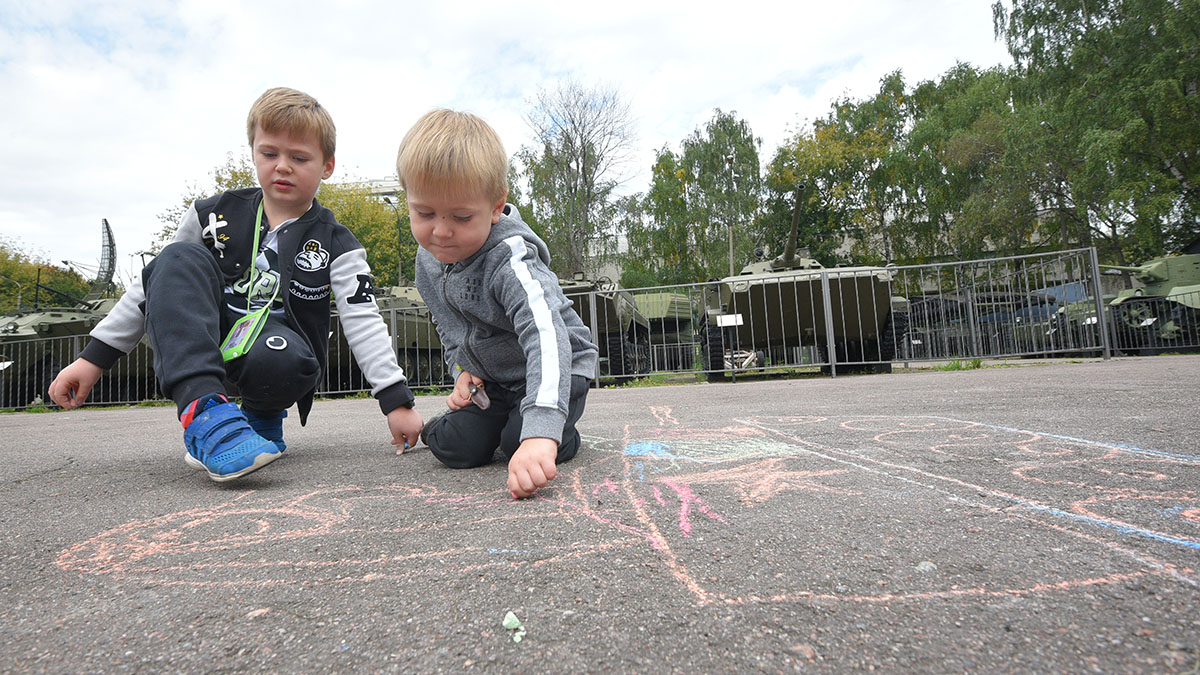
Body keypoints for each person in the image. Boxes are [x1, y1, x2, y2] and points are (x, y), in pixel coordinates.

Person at [49, 87, 423, 482]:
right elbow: (155, 286)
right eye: (269, 153)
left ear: (327, 166)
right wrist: (92, 359)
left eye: (299, 157)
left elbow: (363, 317)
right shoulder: (211, 215)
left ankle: (260, 420)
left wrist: (394, 399)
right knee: (174, 257)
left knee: (281, 351)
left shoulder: (338, 243)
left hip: (277, 356)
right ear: (253, 153)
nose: (283, 166)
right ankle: (205, 415)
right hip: (207, 343)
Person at [395, 109, 598, 498]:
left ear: (494, 206)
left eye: (461, 216)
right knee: (455, 447)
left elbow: (546, 336)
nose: (440, 231)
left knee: (518, 440)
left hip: (558, 369)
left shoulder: (510, 259)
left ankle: (560, 432)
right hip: (498, 381)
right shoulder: (429, 259)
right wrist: (463, 369)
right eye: (424, 213)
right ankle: (509, 420)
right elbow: (448, 322)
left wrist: (541, 433)